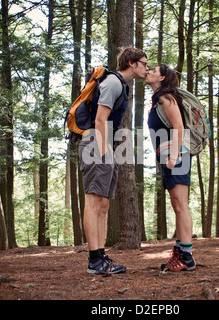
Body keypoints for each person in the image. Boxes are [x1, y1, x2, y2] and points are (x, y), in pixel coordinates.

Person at [79, 47, 149, 275]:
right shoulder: (113, 82)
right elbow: (100, 120)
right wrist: (102, 152)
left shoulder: (120, 84)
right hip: (96, 144)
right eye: (144, 63)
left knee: (103, 204)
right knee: (93, 201)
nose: (146, 68)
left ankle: (100, 257)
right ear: (131, 63)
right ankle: (94, 260)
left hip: (104, 146)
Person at [145, 64, 196, 272]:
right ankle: (180, 250)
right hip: (168, 156)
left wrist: (174, 157)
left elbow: (179, 127)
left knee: (180, 204)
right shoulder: (158, 100)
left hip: (177, 156)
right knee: (177, 203)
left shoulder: (167, 98)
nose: (149, 72)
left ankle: (187, 256)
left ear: (162, 77)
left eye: (153, 70)